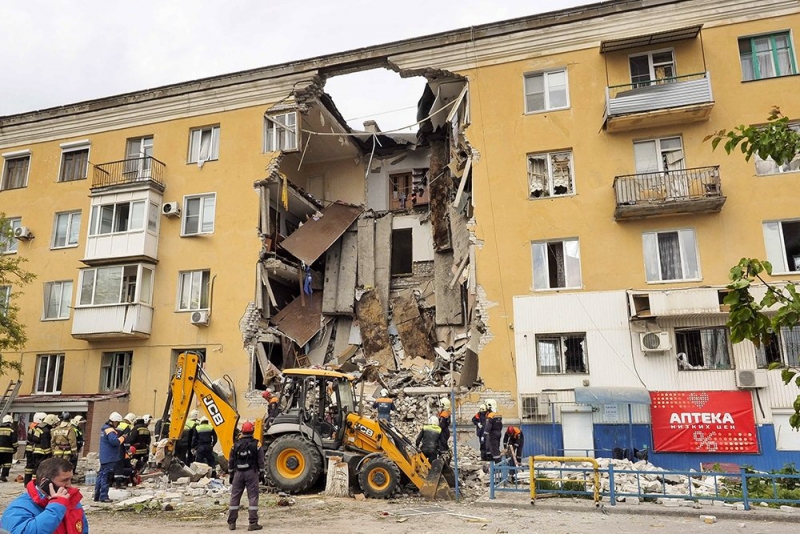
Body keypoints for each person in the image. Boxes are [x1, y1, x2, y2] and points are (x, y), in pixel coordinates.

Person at [0, 457, 88, 534]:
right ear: (44, 482)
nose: (69, 485)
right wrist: (56, 507)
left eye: (70, 479)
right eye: (64, 480)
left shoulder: (72, 501)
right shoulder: (19, 508)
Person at [227, 421, 264, 531]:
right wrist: (261, 473)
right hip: (251, 473)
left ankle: (232, 523)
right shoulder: (257, 444)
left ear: (242, 431)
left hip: (238, 473)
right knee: (252, 497)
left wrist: (231, 474)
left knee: (235, 497)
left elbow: (231, 460)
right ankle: (253, 523)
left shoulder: (235, 445)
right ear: (252, 431)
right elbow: (261, 460)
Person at [94, 412, 123, 503]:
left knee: (101, 475)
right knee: (105, 476)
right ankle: (103, 496)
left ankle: (97, 495)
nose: (118, 424)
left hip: (105, 456)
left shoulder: (104, 428)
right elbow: (114, 442)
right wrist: (123, 438)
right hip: (110, 457)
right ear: (114, 422)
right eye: (118, 422)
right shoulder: (110, 430)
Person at [24, 413, 45, 485]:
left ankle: (27, 482)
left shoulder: (32, 426)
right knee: (36, 465)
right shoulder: (39, 428)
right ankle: (34, 483)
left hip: (29, 448)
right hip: (35, 448)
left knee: (29, 466)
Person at [484, 399, 503, 464]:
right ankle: (497, 463)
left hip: (493, 434)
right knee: (497, 448)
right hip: (498, 433)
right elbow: (501, 425)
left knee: (494, 450)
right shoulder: (498, 414)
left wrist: (485, 434)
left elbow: (488, 426)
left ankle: (498, 465)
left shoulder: (490, 415)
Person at [0, 415, 18, 482]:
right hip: (8, 450)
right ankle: (3, 476)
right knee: (7, 464)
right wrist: (15, 447)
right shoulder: (12, 430)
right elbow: (14, 441)